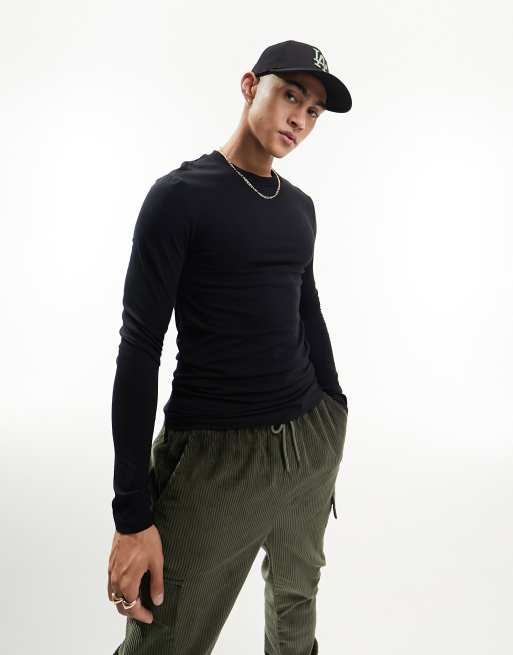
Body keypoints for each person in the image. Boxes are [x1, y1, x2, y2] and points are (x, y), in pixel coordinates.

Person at [108, 39, 352, 655]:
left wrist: (334, 409)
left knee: (295, 606)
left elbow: (308, 310)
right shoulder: (180, 197)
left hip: (310, 440)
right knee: (164, 641)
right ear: (250, 86)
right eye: (290, 96)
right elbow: (139, 348)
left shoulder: (299, 208)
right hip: (218, 457)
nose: (300, 119)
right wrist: (131, 516)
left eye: (314, 111)